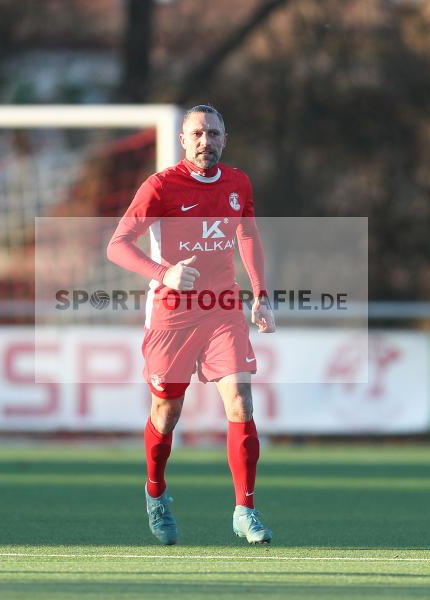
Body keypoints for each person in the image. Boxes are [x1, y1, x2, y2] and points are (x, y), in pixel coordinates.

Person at [107, 105, 276, 545]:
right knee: (167, 411)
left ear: (225, 138)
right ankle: (156, 493)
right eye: (198, 134)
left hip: (222, 307)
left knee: (240, 399)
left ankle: (245, 510)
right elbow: (117, 245)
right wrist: (163, 273)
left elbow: (248, 234)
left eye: (214, 133)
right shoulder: (160, 186)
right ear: (184, 141)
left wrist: (260, 294)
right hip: (172, 313)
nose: (206, 141)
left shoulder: (238, 183)